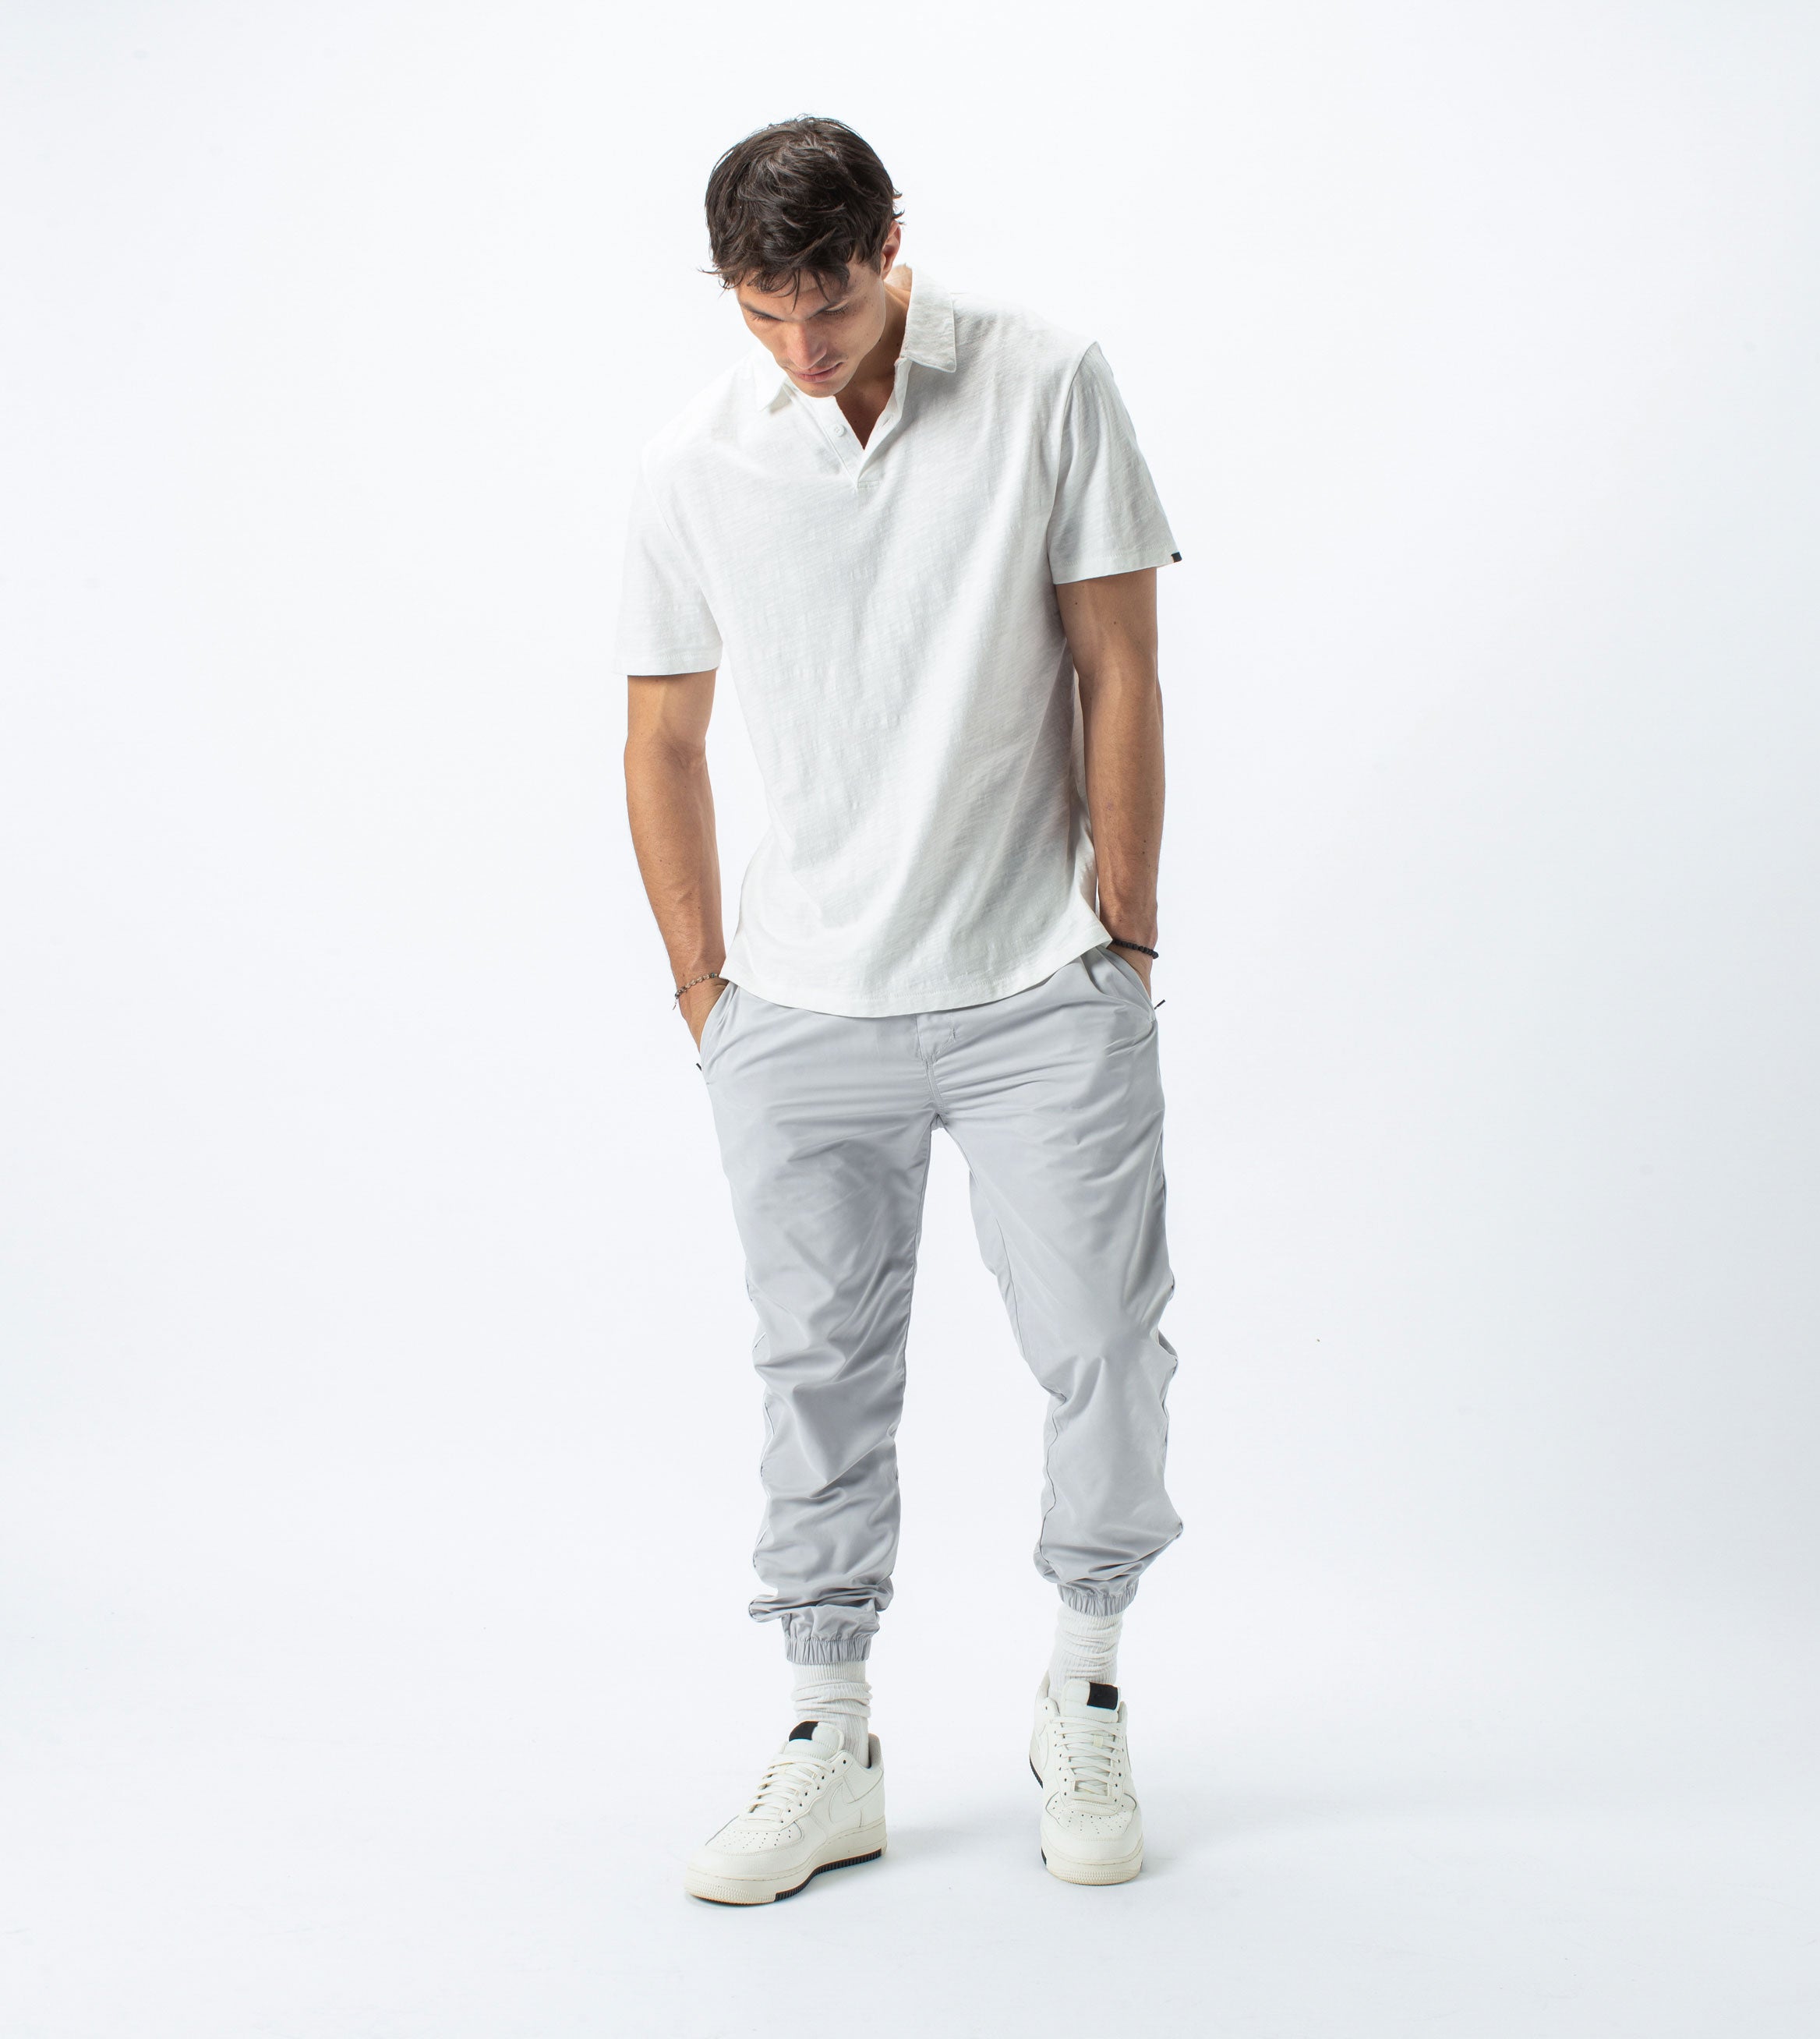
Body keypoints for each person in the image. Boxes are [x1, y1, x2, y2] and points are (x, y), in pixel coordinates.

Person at [620, 116, 1184, 1904]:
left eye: (832, 302)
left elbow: (1116, 659)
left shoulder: (1047, 382)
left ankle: (1084, 1687)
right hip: (798, 1003)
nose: (803, 345)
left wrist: (1124, 937)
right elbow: (660, 735)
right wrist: (706, 990)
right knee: (817, 1374)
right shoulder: (692, 463)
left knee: (1104, 1343)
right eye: (763, 312)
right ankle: (827, 1734)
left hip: (1036, 981)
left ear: (890, 249)